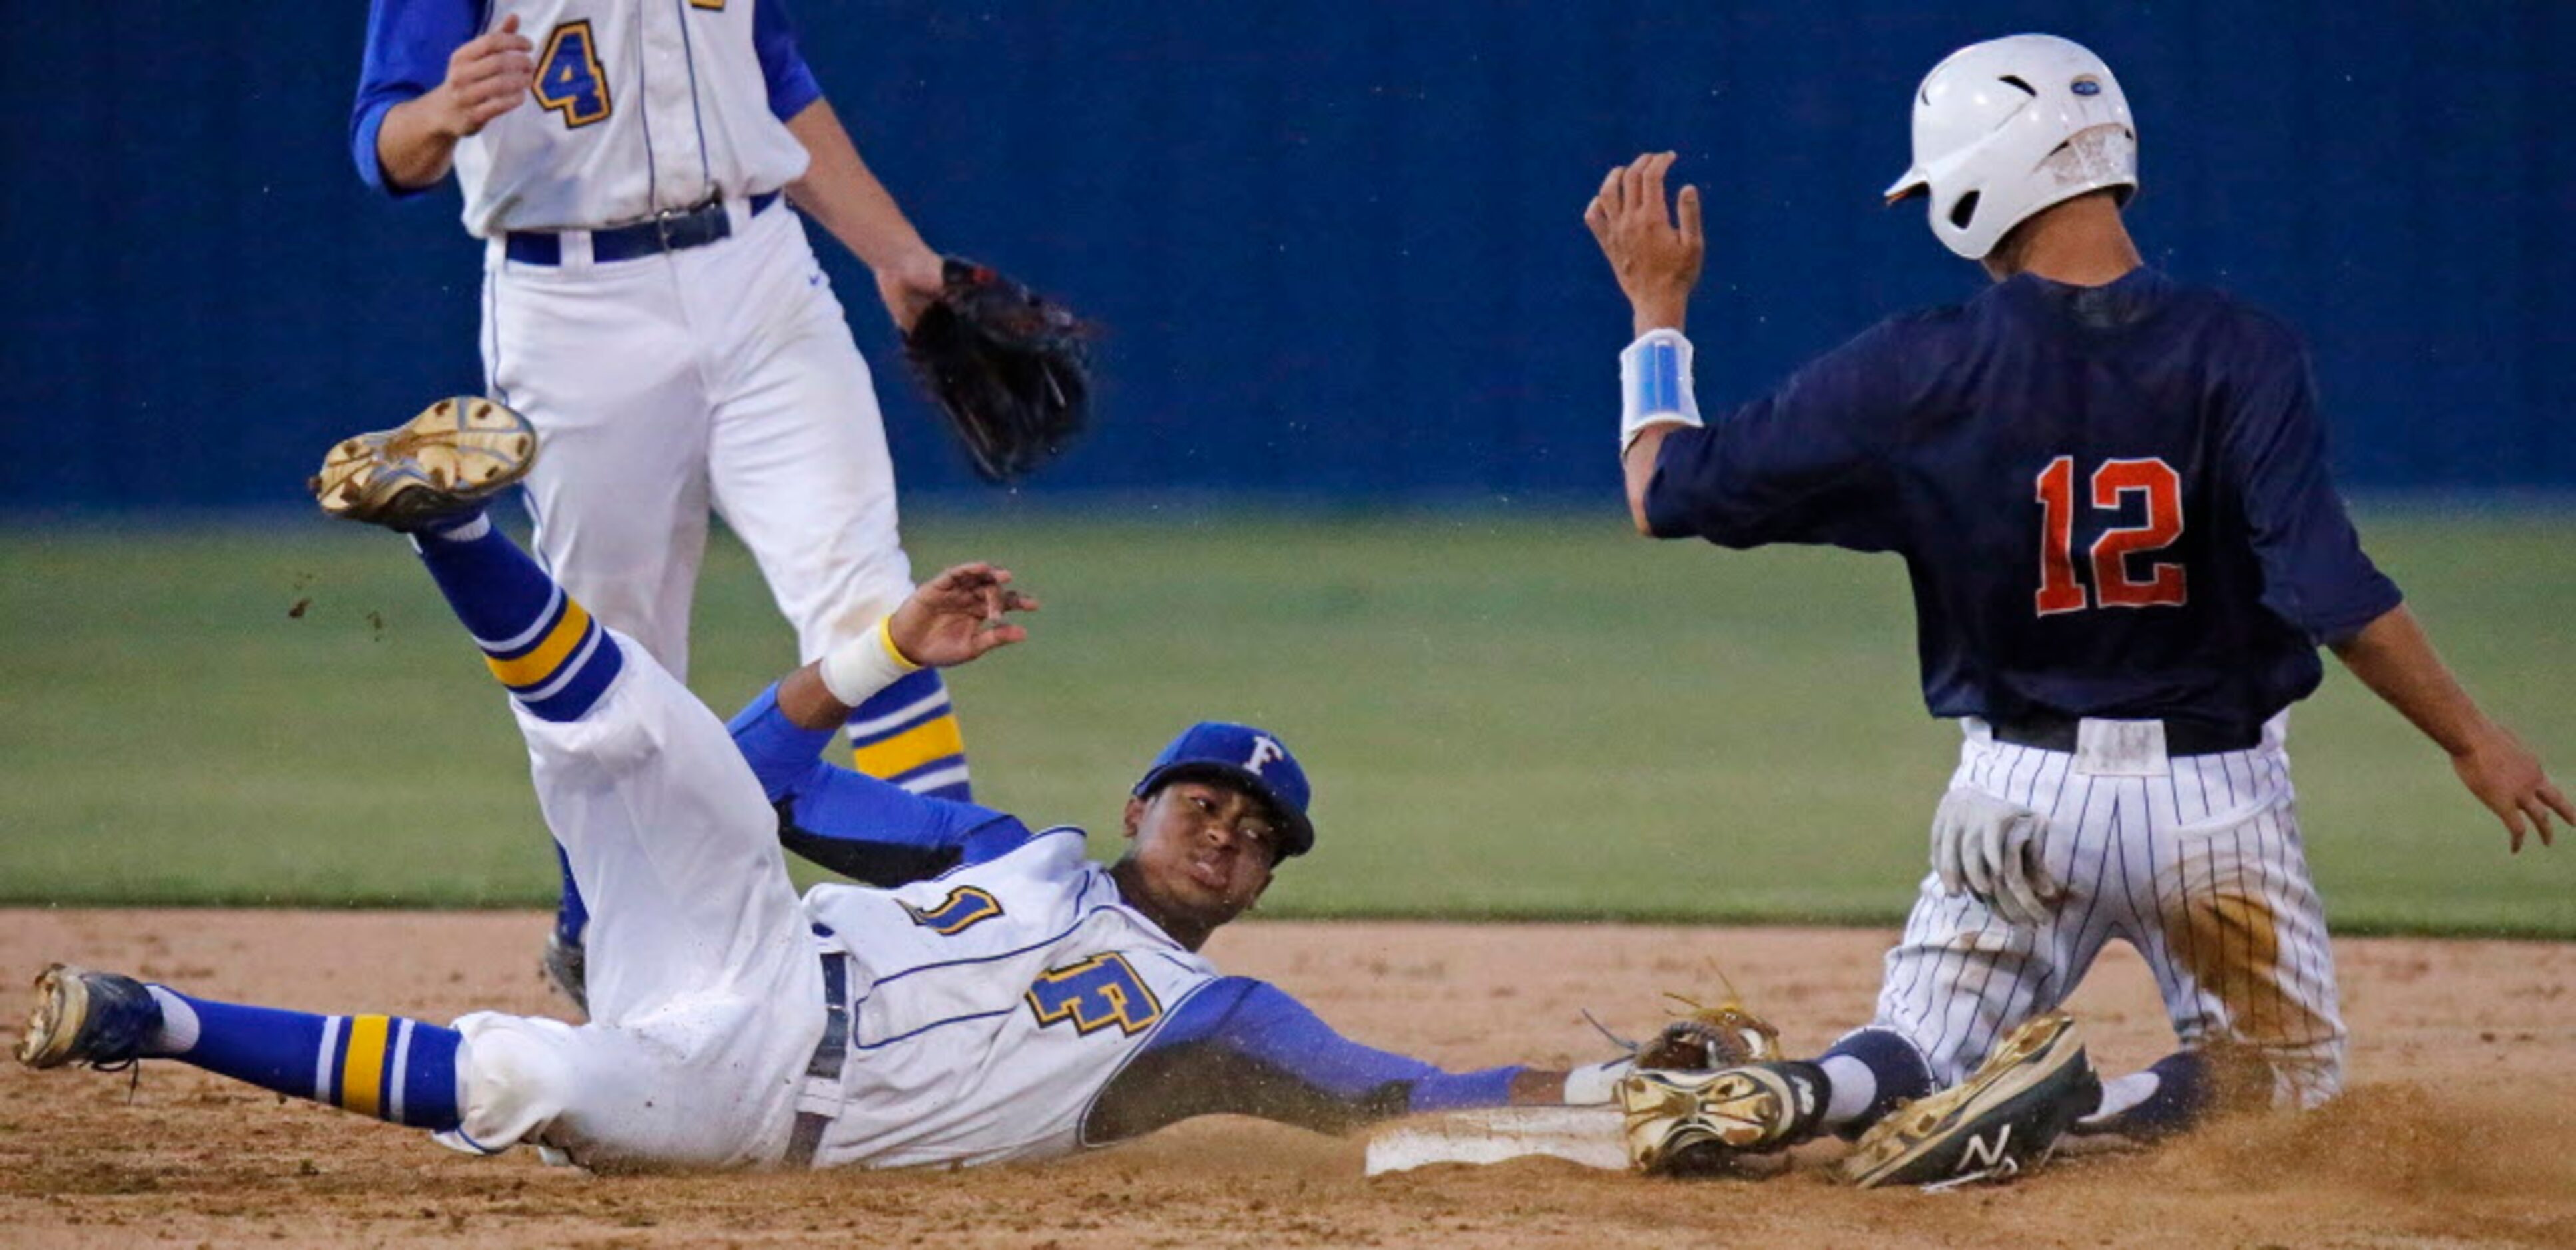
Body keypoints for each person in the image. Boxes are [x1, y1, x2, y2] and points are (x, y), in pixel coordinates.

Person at [14, 402, 1621, 1172]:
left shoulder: (1216, 1023)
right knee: (640, 747)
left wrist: (1606, 1099)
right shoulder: (1012, 848)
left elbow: (1395, 1093)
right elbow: (763, 779)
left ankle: (152, 1019)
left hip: (756, 1114)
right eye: (1205, 798)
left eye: (1259, 835)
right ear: (1140, 807)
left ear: (1265, 887)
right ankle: (449, 527)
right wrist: (875, 653)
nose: (1228, 828)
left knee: (528, 1083)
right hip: (765, 956)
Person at [1585, 33, 2568, 1183]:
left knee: (1917, 1045)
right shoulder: (2241, 352)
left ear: (1974, 181)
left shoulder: (1918, 368)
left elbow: (1664, 492)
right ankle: (2077, 1107)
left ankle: (1810, 1088)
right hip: (2216, 810)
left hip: (2013, 798)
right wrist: (2472, 738)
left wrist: (1658, 308)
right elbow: (2328, 593)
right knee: (2279, 1080)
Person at [350, 0, 979, 1009]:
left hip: (758, 271)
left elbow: (771, 82)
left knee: (866, 590)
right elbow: (384, 146)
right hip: (572, 298)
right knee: (615, 655)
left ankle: (961, 922)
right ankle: (596, 924)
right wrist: (439, 113)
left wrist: (895, 251)